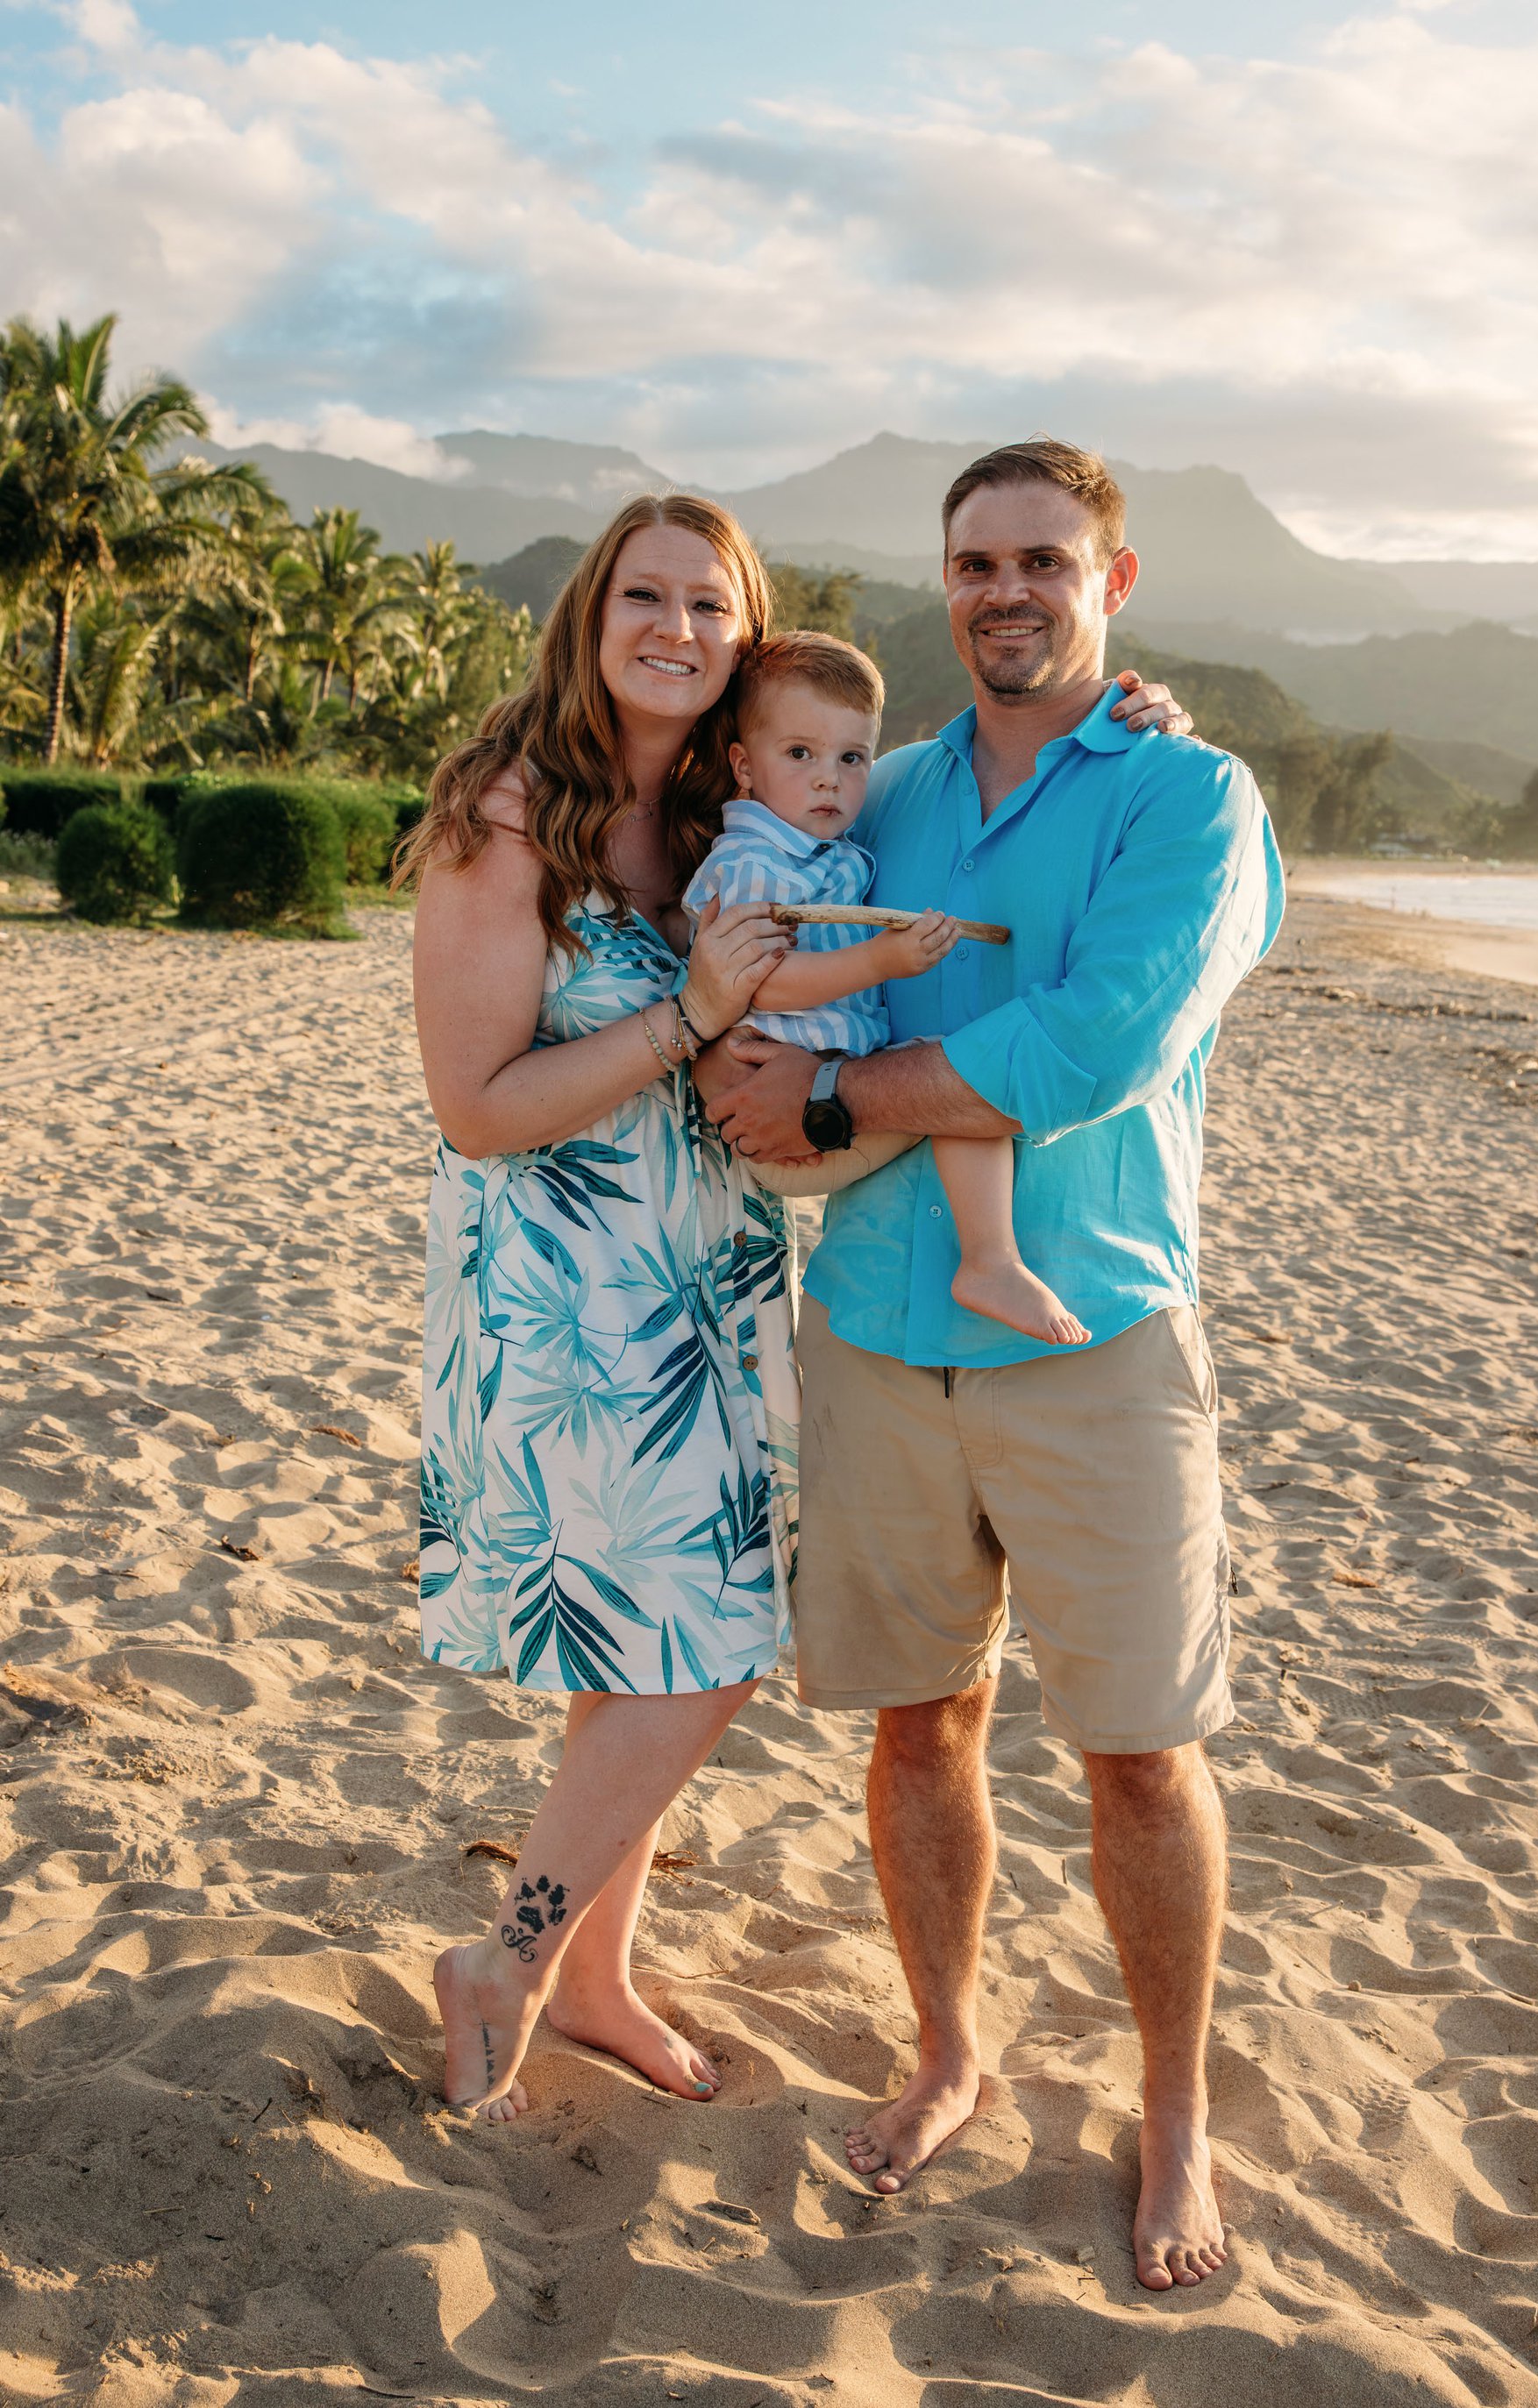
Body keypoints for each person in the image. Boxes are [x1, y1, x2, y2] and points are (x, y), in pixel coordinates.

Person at [398, 481, 1194, 2124]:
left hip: (714, 1272)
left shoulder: (729, 800)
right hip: (574, 1287)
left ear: (749, 648)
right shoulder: (507, 808)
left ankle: (599, 1977)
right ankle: (510, 1960)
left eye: (712, 603)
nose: (677, 627)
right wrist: (693, 1013)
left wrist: (1123, 708)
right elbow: (474, 1108)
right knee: (705, 1648)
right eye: (647, 594)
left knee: (643, 1643)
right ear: (592, 613)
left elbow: (959, 762)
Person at [701, 437, 1285, 2291]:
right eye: (975, 562)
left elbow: (1100, 1043)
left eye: (1044, 558)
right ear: (944, 583)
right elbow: (729, 837)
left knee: (1141, 1754)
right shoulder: (883, 789)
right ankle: (951, 2048)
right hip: (877, 1326)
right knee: (919, 1722)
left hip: (1094, 1330)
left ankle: (1174, 2110)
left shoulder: (1192, 792)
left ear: (1115, 578)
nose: (1006, 589)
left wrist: (830, 1093)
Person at [684, 630, 1091, 1346]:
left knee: (953, 1074)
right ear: (744, 766)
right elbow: (761, 984)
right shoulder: (751, 862)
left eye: (852, 758)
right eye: (800, 754)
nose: (829, 780)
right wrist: (880, 960)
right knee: (960, 1083)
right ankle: (990, 1260)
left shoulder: (827, 850)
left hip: (820, 1083)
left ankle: (989, 1260)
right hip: (774, 1109)